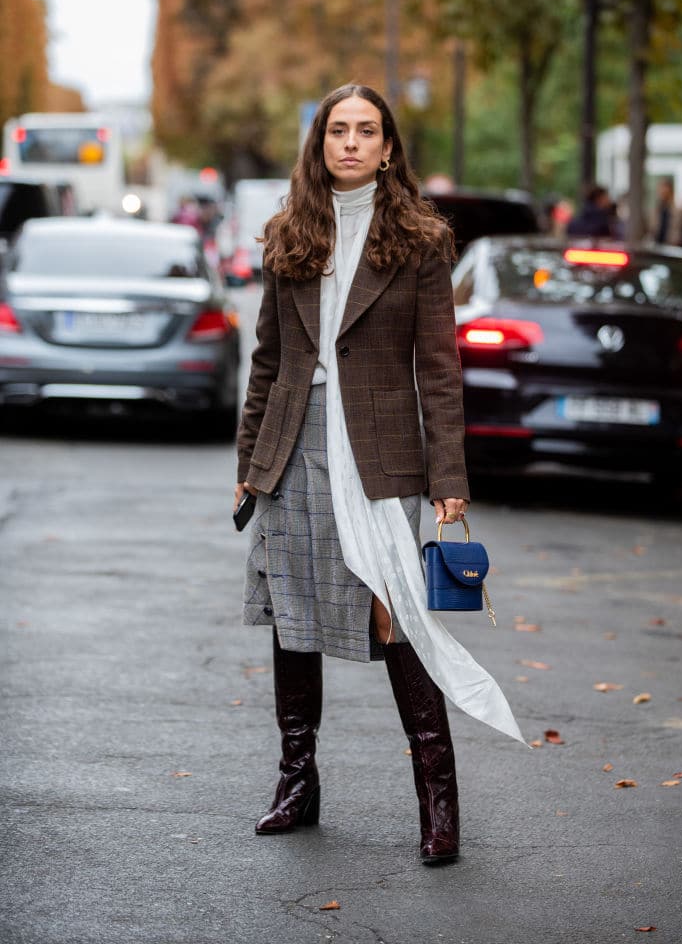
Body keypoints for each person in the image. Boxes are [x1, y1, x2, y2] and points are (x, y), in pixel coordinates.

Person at [234, 83, 524, 866]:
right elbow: (268, 360)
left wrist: (447, 475)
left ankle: (438, 801)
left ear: (389, 147)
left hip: (381, 452)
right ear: (319, 143)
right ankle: (297, 784)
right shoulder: (289, 233)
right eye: (338, 130)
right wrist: (248, 461)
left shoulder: (420, 240)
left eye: (366, 131)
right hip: (294, 446)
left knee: (396, 615)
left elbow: (438, 366)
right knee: (294, 614)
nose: (351, 143)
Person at [651, 178, 682, 246]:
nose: (662, 193)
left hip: (671, 246)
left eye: (665, 191)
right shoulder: (656, 210)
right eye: (661, 190)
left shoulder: (677, 210)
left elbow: (678, 231)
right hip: (656, 245)